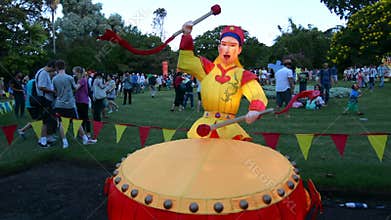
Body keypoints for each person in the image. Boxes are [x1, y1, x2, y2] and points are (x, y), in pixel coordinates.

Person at [177, 23, 268, 140]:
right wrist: (186, 35)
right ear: (219, 48)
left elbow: (257, 95)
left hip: (229, 128)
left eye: (232, 45)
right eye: (224, 44)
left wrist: (255, 110)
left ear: (239, 49)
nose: (227, 49)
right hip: (205, 125)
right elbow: (185, 61)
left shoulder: (243, 75)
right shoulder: (207, 69)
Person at [52, 60, 97, 148]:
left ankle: (65, 143)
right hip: (69, 104)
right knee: (76, 121)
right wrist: (81, 80)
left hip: (59, 104)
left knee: (62, 123)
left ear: (56, 68)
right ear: (65, 67)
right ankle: (85, 139)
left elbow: (55, 91)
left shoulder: (54, 78)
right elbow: (76, 88)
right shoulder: (69, 78)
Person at [35, 60, 57, 148]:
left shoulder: (42, 72)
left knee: (48, 120)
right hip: (44, 99)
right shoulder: (43, 73)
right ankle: (42, 141)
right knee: (45, 121)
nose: (54, 71)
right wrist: (53, 91)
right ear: (51, 66)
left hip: (45, 99)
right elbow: (41, 87)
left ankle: (47, 138)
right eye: (54, 69)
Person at [74, 66, 92, 137]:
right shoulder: (79, 79)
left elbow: (76, 88)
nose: (74, 74)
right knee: (80, 117)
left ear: (78, 72)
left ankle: (88, 132)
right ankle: (82, 132)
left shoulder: (82, 80)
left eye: (74, 72)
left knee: (85, 117)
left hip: (83, 101)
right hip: (78, 101)